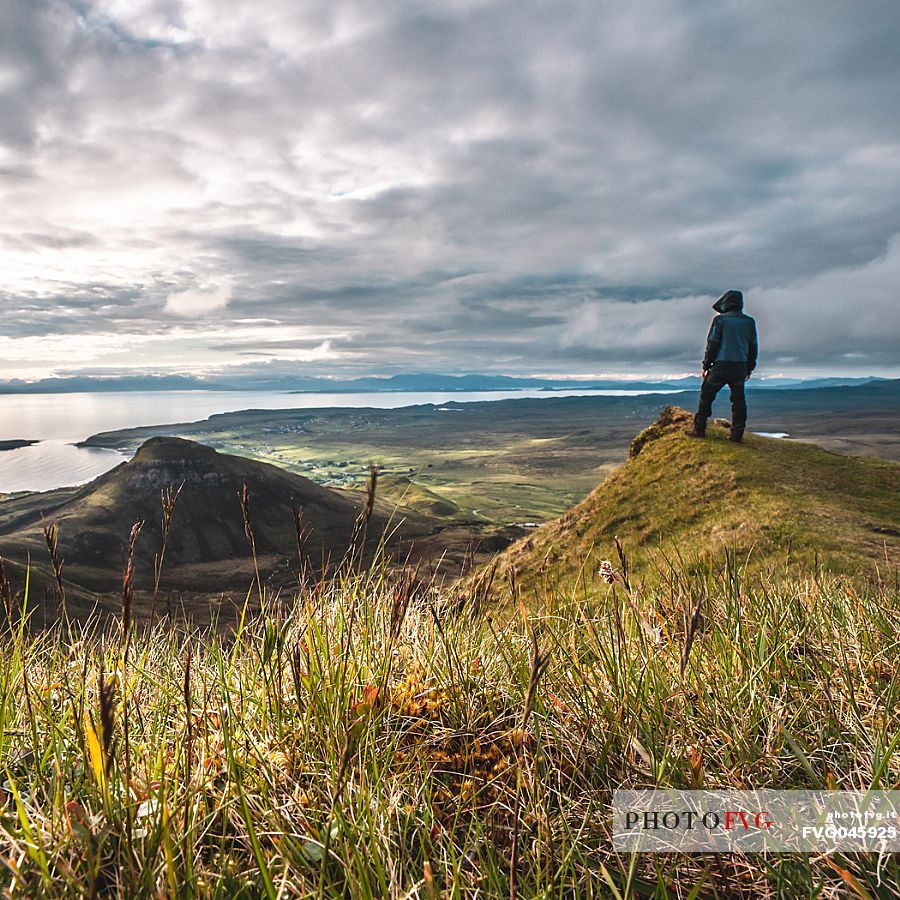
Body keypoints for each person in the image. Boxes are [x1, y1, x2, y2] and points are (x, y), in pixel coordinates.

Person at [688, 290, 758, 442]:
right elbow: (753, 346)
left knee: (706, 395)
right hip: (740, 366)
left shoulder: (720, 320)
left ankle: (699, 430)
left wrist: (706, 365)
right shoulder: (749, 322)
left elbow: (713, 344)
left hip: (721, 364)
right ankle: (736, 435)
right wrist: (749, 368)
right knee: (738, 400)